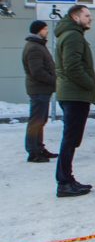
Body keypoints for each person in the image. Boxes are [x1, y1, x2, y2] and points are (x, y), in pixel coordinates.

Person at [54, 4, 95, 198]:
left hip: (71, 93)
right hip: (75, 95)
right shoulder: (73, 36)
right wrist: (89, 84)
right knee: (70, 139)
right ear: (75, 16)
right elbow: (73, 67)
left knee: (70, 138)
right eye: (86, 15)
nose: (90, 19)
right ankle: (64, 182)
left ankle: (67, 179)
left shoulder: (70, 34)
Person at [22, 20, 58, 163]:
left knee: (40, 120)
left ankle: (39, 148)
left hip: (41, 89)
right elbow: (37, 72)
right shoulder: (34, 48)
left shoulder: (37, 46)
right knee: (36, 121)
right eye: (45, 29)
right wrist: (53, 80)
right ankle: (33, 152)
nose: (47, 31)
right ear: (39, 31)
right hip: (39, 89)